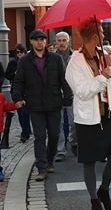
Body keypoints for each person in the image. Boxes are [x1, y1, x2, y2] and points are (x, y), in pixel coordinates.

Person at [64, 18, 111, 210]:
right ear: (94, 35)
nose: (105, 35)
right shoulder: (75, 62)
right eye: (101, 32)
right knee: (89, 161)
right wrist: (102, 77)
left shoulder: (104, 54)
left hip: (109, 112)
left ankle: (103, 190)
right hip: (89, 118)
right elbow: (81, 92)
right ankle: (94, 201)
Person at [11, 29, 72, 182]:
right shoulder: (25, 61)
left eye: (42, 39)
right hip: (35, 104)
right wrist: (17, 97)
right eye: (36, 40)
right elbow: (18, 81)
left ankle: (50, 159)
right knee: (39, 136)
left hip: (54, 103)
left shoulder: (55, 59)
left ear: (46, 42)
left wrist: (67, 97)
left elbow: (63, 80)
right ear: (31, 42)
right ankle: (42, 168)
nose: (40, 42)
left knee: (54, 135)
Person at [55, 31, 75, 159]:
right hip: (56, 94)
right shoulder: (51, 57)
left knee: (74, 122)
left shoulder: (75, 56)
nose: (62, 43)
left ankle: (74, 142)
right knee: (59, 123)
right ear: (55, 42)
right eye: (59, 40)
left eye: (64, 40)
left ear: (68, 41)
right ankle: (60, 150)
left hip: (72, 93)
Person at [5, 44, 31, 143]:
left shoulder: (28, 62)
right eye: (17, 52)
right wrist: (14, 75)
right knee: (21, 112)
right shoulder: (13, 63)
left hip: (28, 91)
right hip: (17, 90)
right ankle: (25, 132)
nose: (19, 54)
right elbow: (7, 75)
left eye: (21, 52)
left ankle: (27, 130)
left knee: (27, 113)